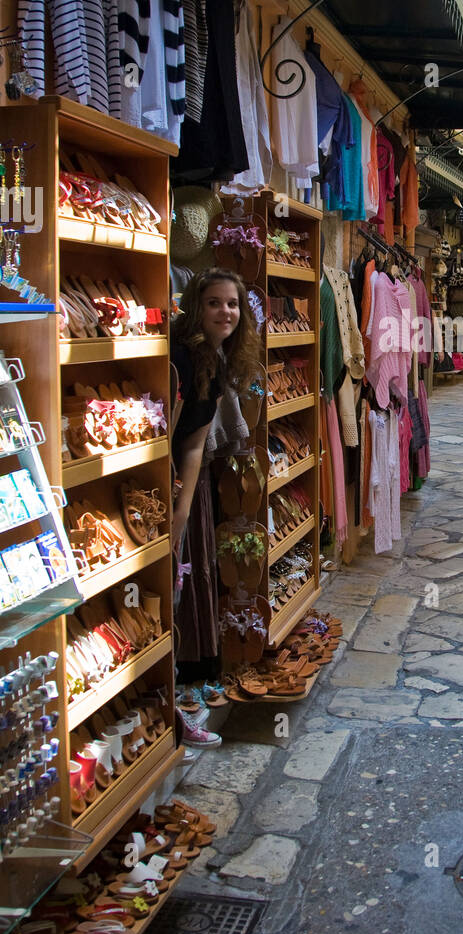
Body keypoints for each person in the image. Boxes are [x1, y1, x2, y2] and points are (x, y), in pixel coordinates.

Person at [171, 268, 260, 739]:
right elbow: (188, 445)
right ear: (196, 307)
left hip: (190, 481)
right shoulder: (191, 358)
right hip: (179, 483)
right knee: (182, 577)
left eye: (232, 304)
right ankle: (179, 691)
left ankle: (188, 683)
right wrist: (181, 511)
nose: (225, 312)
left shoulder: (213, 357)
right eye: (214, 303)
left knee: (193, 575)